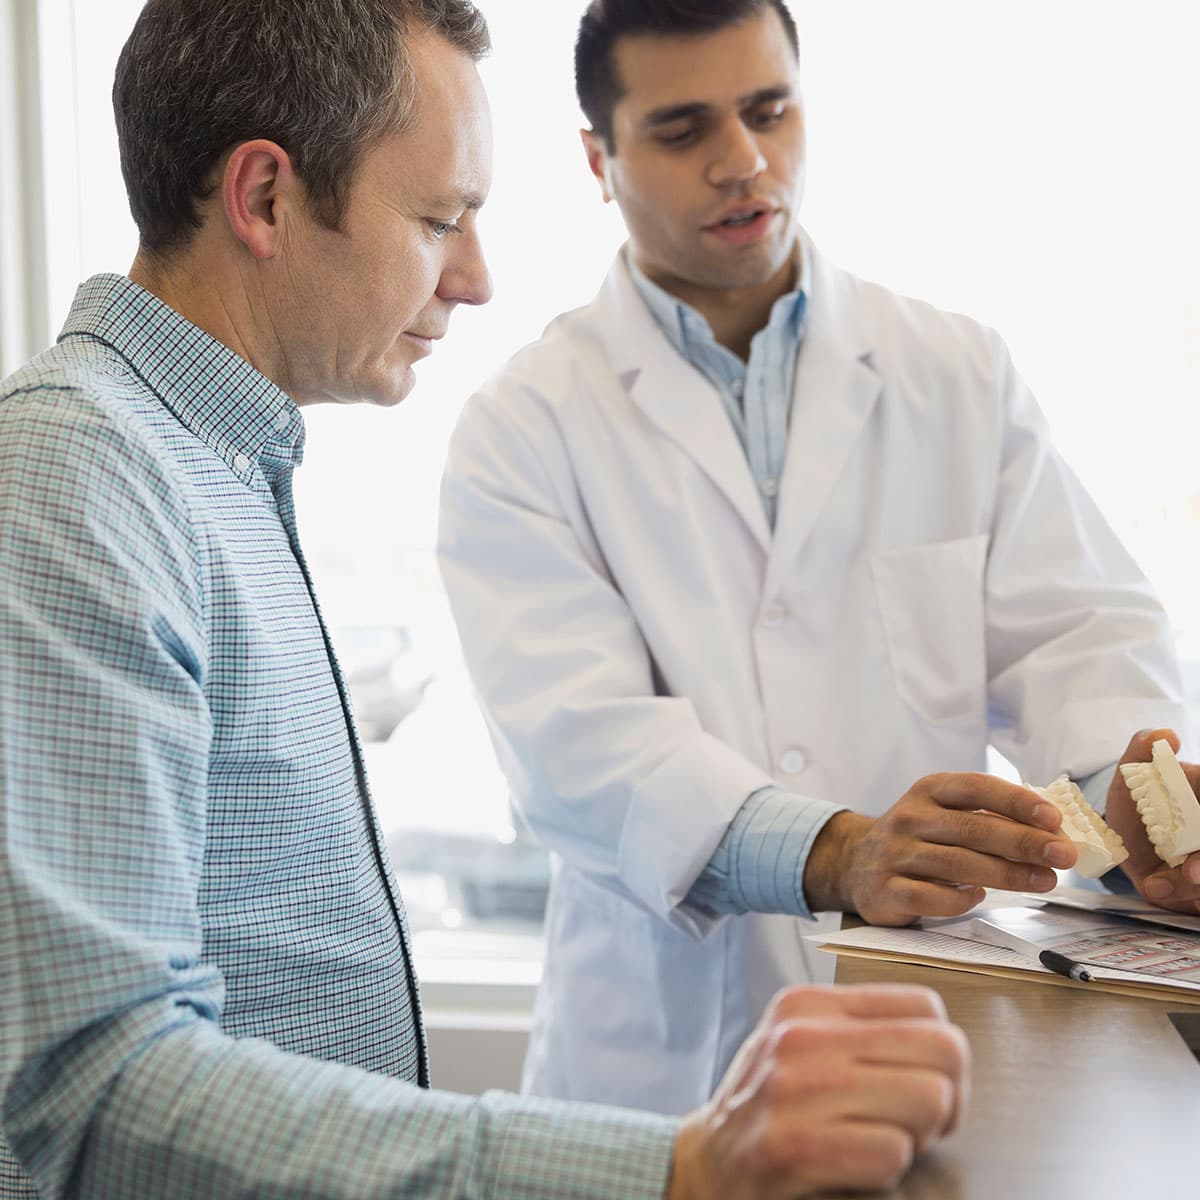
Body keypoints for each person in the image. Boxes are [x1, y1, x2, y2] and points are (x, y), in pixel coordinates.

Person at [0, 1, 971, 1197]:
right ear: (262, 199)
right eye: (439, 218)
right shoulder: (75, 481)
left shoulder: (217, 468)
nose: (474, 276)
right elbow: (92, 1089)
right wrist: (675, 1168)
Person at [437, 0, 1200, 1116]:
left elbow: (1079, 635)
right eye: (684, 128)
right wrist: (837, 853)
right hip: (658, 1068)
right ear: (599, 159)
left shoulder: (955, 373)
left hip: (933, 1027)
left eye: (768, 109)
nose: (743, 161)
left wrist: (1123, 793)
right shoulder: (525, 427)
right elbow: (578, 750)